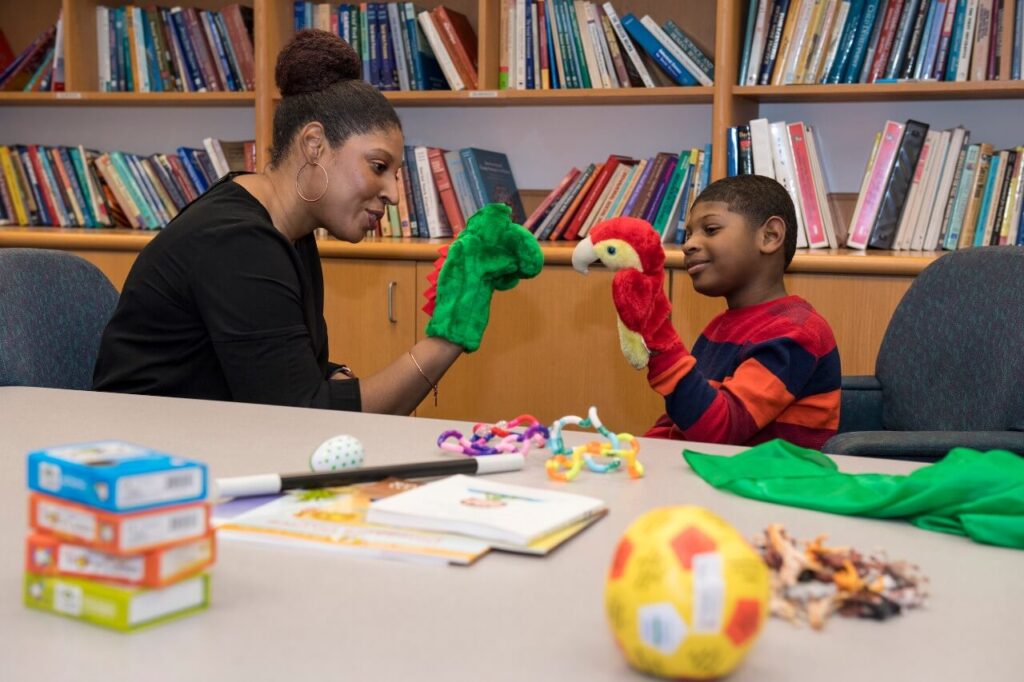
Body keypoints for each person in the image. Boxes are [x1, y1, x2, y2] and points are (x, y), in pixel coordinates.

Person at [93, 30, 538, 415]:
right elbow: (305, 420)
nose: (394, 194)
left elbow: (271, 371)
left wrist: (329, 378)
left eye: (396, 174)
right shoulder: (238, 242)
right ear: (313, 145)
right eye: (378, 166)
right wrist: (449, 335)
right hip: (146, 472)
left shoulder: (286, 230)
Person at [577, 175, 841, 449]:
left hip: (764, 484)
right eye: (689, 234)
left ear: (770, 236)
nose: (688, 244)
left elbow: (719, 431)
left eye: (711, 229)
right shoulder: (718, 328)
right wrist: (634, 452)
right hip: (713, 472)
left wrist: (660, 338)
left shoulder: (795, 333)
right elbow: (681, 422)